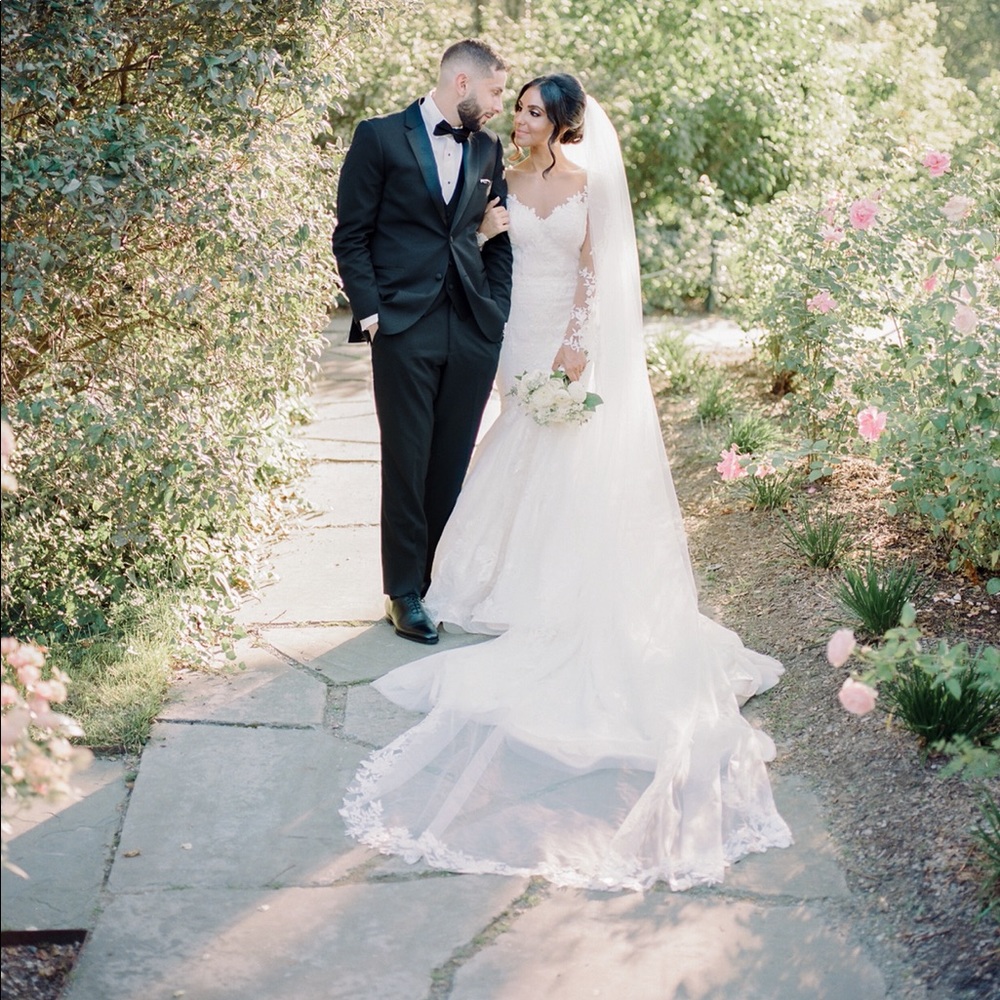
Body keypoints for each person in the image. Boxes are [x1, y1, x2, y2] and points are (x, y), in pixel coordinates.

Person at [341, 75, 793, 892]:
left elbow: (597, 268)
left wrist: (579, 341)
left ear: (564, 124)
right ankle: (487, 569)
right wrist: (480, 238)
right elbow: (467, 249)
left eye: (534, 112)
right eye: (517, 108)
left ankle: (551, 574)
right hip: (508, 330)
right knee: (515, 440)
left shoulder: (590, 183)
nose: (520, 120)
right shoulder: (498, 178)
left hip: (565, 334)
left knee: (564, 451)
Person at [332, 39, 513, 645]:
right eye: (493, 92)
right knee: (407, 460)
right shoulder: (379, 137)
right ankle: (404, 591)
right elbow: (351, 236)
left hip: (472, 325)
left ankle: (440, 582)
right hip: (402, 325)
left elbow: (498, 239)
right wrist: (372, 314)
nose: (499, 106)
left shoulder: (487, 148)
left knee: (452, 462)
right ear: (462, 83)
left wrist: (496, 313)